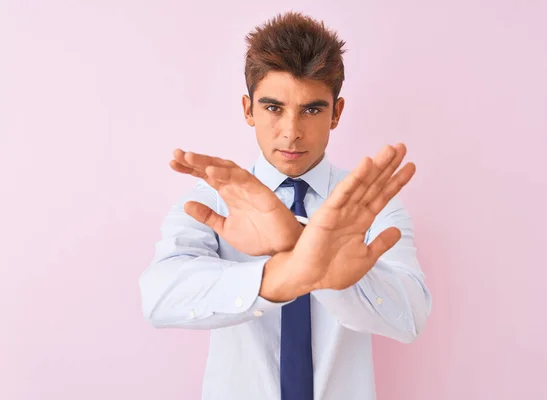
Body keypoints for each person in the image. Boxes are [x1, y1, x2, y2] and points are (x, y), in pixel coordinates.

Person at [139, 11, 432, 400]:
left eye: (312, 109)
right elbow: (160, 297)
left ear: (336, 113)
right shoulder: (212, 196)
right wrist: (290, 271)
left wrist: (307, 250)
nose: (292, 131)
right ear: (248, 109)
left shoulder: (370, 203)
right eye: (273, 107)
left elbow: (410, 317)